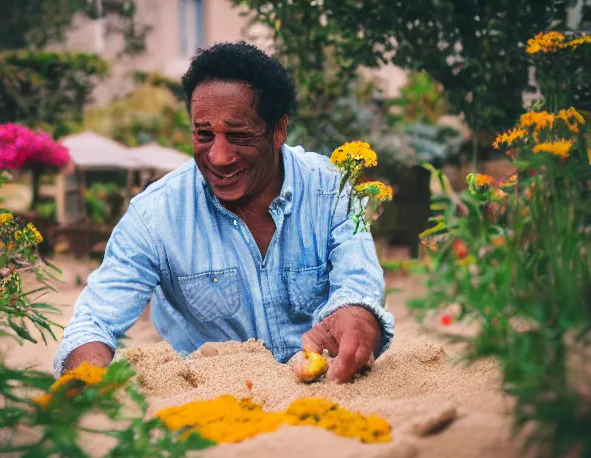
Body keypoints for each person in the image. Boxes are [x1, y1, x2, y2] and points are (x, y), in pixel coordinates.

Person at [54, 42, 395, 383]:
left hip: (325, 390)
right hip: (211, 399)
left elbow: (358, 281)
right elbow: (94, 321)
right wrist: (85, 377)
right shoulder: (154, 216)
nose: (218, 156)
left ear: (278, 130)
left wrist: (359, 317)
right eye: (204, 134)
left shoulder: (330, 189)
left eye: (239, 135)